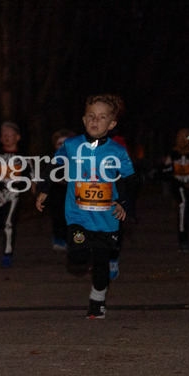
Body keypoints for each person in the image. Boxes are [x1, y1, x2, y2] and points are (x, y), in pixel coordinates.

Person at [36, 95, 137, 319]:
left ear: (111, 124)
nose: (95, 120)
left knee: (101, 263)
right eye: (91, 116)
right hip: (78, 216)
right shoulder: (71, 145)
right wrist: (45, 189)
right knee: (78, 257)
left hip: (107, 219)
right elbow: (53, 165)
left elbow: (130, 180)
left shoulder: (118, 152)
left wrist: (124, 203)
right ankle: (86, 250)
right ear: (84, 119)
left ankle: (97, 299)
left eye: (102, 117)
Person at [0, 122, 32, 268]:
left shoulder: (22, 156)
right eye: (4, 135)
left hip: (14, 191)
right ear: (1, 139)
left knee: (10, 223)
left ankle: (7, 253)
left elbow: (31, 171)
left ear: (18, 137)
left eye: (10, 135)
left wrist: (35, 186)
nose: (7, 138)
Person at [160, 128, 189, 252]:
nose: (182, 140)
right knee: (183, 206)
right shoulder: (173, 155)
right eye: (179, 137)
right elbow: (165, 171)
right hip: (179, 187)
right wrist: (174, 178)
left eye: (186, 137)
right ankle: (183, 240)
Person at [44, 129, 76, 251]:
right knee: (58, 216)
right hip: (56, 190)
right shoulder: (53, 160)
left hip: (73, 190)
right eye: (59, 144)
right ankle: (59, 238)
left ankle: (73, 239)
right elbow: (45, 176)